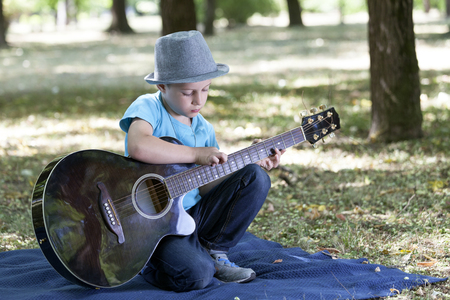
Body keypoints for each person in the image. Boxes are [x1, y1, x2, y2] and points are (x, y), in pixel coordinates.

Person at [119, 30, 285, 292]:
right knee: (196, 275)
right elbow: (139, 145)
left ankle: (213, 249)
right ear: (162, 86)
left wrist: (249, 162)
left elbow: (205, 184)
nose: (199, 100)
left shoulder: (203, 128)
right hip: (154, 227)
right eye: (188, 92)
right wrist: (196, 153)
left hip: (193, 218)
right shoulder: (149, 107)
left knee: (255, 176)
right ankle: (149, 262)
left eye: (205, 89)